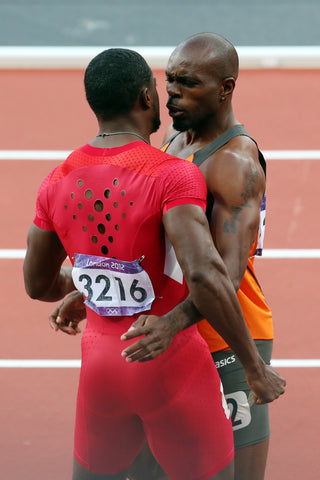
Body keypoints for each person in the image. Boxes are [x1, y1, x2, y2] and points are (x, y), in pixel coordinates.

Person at [23, 47, 285, 480]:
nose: (173, 96)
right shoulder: (173, 142)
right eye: (170, 82)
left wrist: (172, 322)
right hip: (162, 339)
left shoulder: (234, 164)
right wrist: (89, 287)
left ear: (226, 89)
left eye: (188, 84)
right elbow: (152, 249)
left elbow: (224, 274)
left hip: (226, 337)